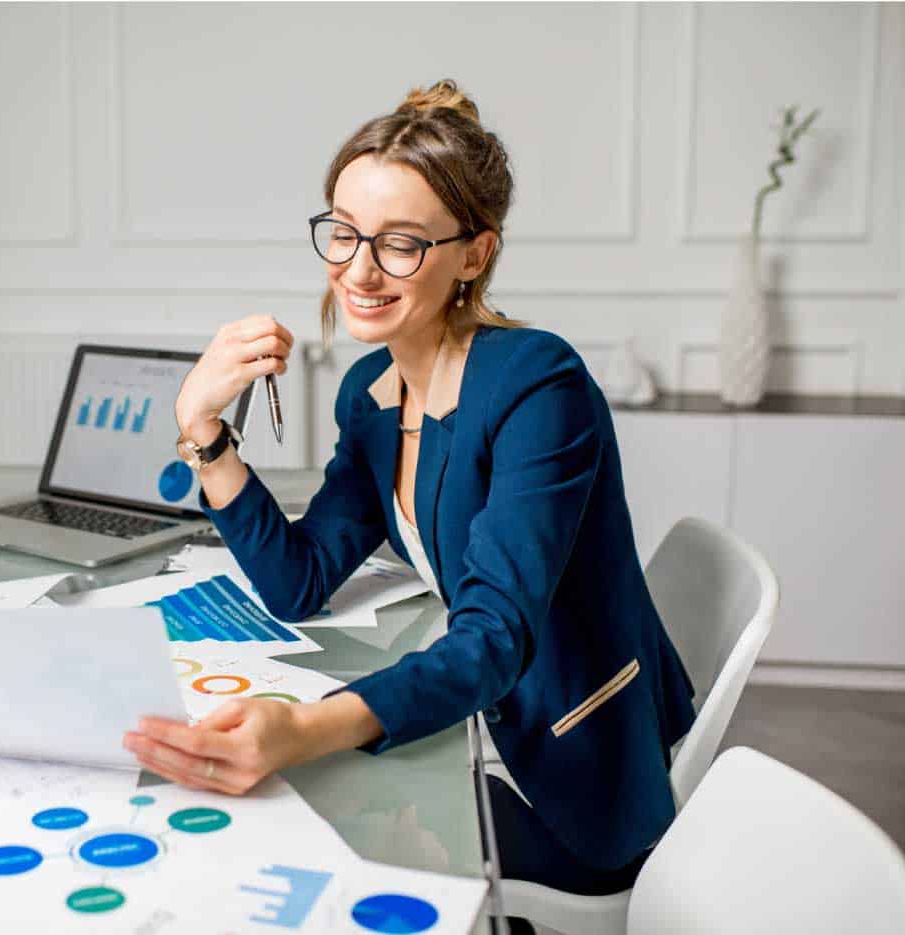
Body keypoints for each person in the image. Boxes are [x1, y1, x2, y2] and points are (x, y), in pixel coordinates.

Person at [124, 80, 697, 899]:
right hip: (472, 724)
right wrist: (203, 424)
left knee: (303, 820)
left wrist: (305, 728)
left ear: (474, 253)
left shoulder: (541, 385)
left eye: (399, 243)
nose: (359, 270)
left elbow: (494, 638)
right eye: (345, 233)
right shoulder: (372, 392)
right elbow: (300, 578)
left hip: (566, 773)